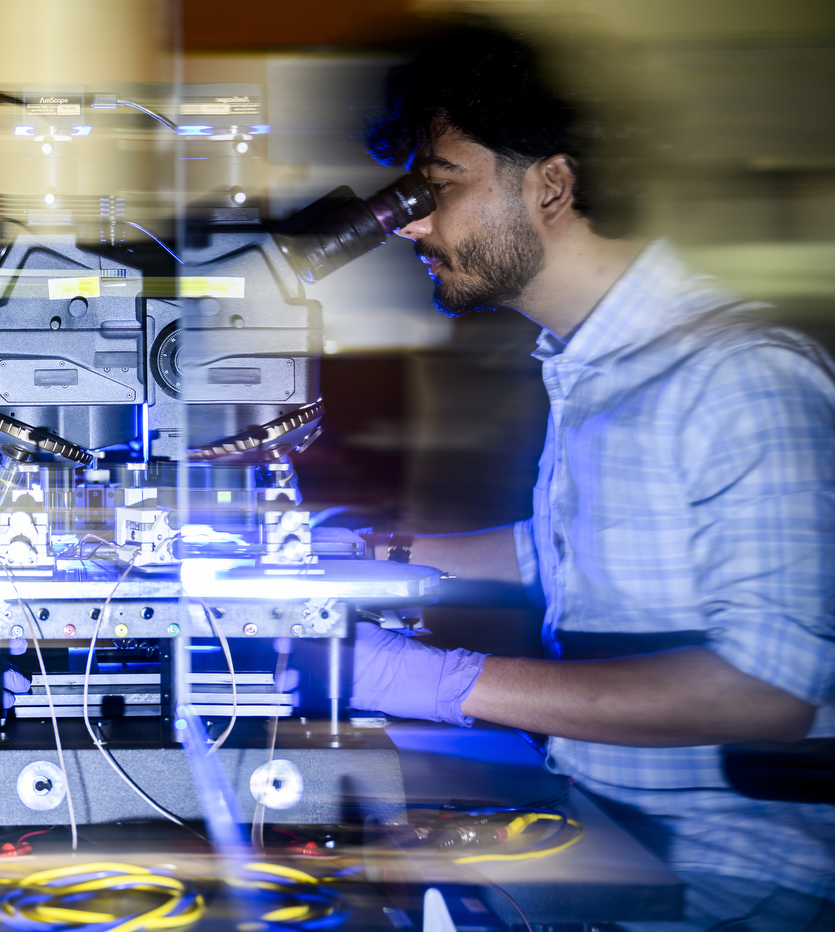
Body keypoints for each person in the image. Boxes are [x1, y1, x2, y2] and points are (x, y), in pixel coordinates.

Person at [350, 25, 835, 932]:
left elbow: (766, 691)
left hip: (726, 880)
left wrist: (435, 680)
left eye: (440, 183)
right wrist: (367, 555)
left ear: (552, 183)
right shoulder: (596, 363)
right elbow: (580, 551)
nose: (411, 221)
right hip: (600, 815)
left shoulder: (741, 373)